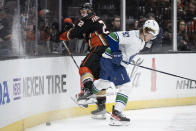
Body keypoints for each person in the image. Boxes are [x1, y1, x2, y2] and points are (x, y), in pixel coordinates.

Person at [79, 20, 159, 126]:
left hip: (109, 61)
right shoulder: (132, 36)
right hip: (111, 62)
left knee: (104, 83)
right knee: (126, 86)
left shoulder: (142, 41)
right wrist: (115, 52)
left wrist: (123, 58)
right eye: (152, 36)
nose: (152, 38)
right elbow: (112, 36)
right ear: (145, 31)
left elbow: (127, 51)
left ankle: (86, 94)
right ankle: (116, 114)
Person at [59, 3, 109, 119]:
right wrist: (74, 28)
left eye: (84, 11)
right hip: (106, 49)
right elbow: (84, 33)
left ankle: (88, 92)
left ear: (90, 11)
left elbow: (75, 33)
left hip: (99, 48)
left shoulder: (88, 19)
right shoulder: (95, 20)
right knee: (97, 78)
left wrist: (62, 35)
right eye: (81, 12)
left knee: (84, 68)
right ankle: (101, 108)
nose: (82, 13)